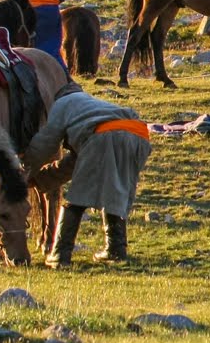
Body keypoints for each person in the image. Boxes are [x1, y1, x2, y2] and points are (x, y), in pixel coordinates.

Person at [24, 83, 152, 267]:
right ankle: (116, 249)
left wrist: (25, 170)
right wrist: (39, 179)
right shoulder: (91, 105)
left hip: (104, 137)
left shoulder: (62, 104)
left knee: (77, 197)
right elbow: (75, 163)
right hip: (138, 138)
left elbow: (44, 144)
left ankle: (60, 254)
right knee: (115, 192)